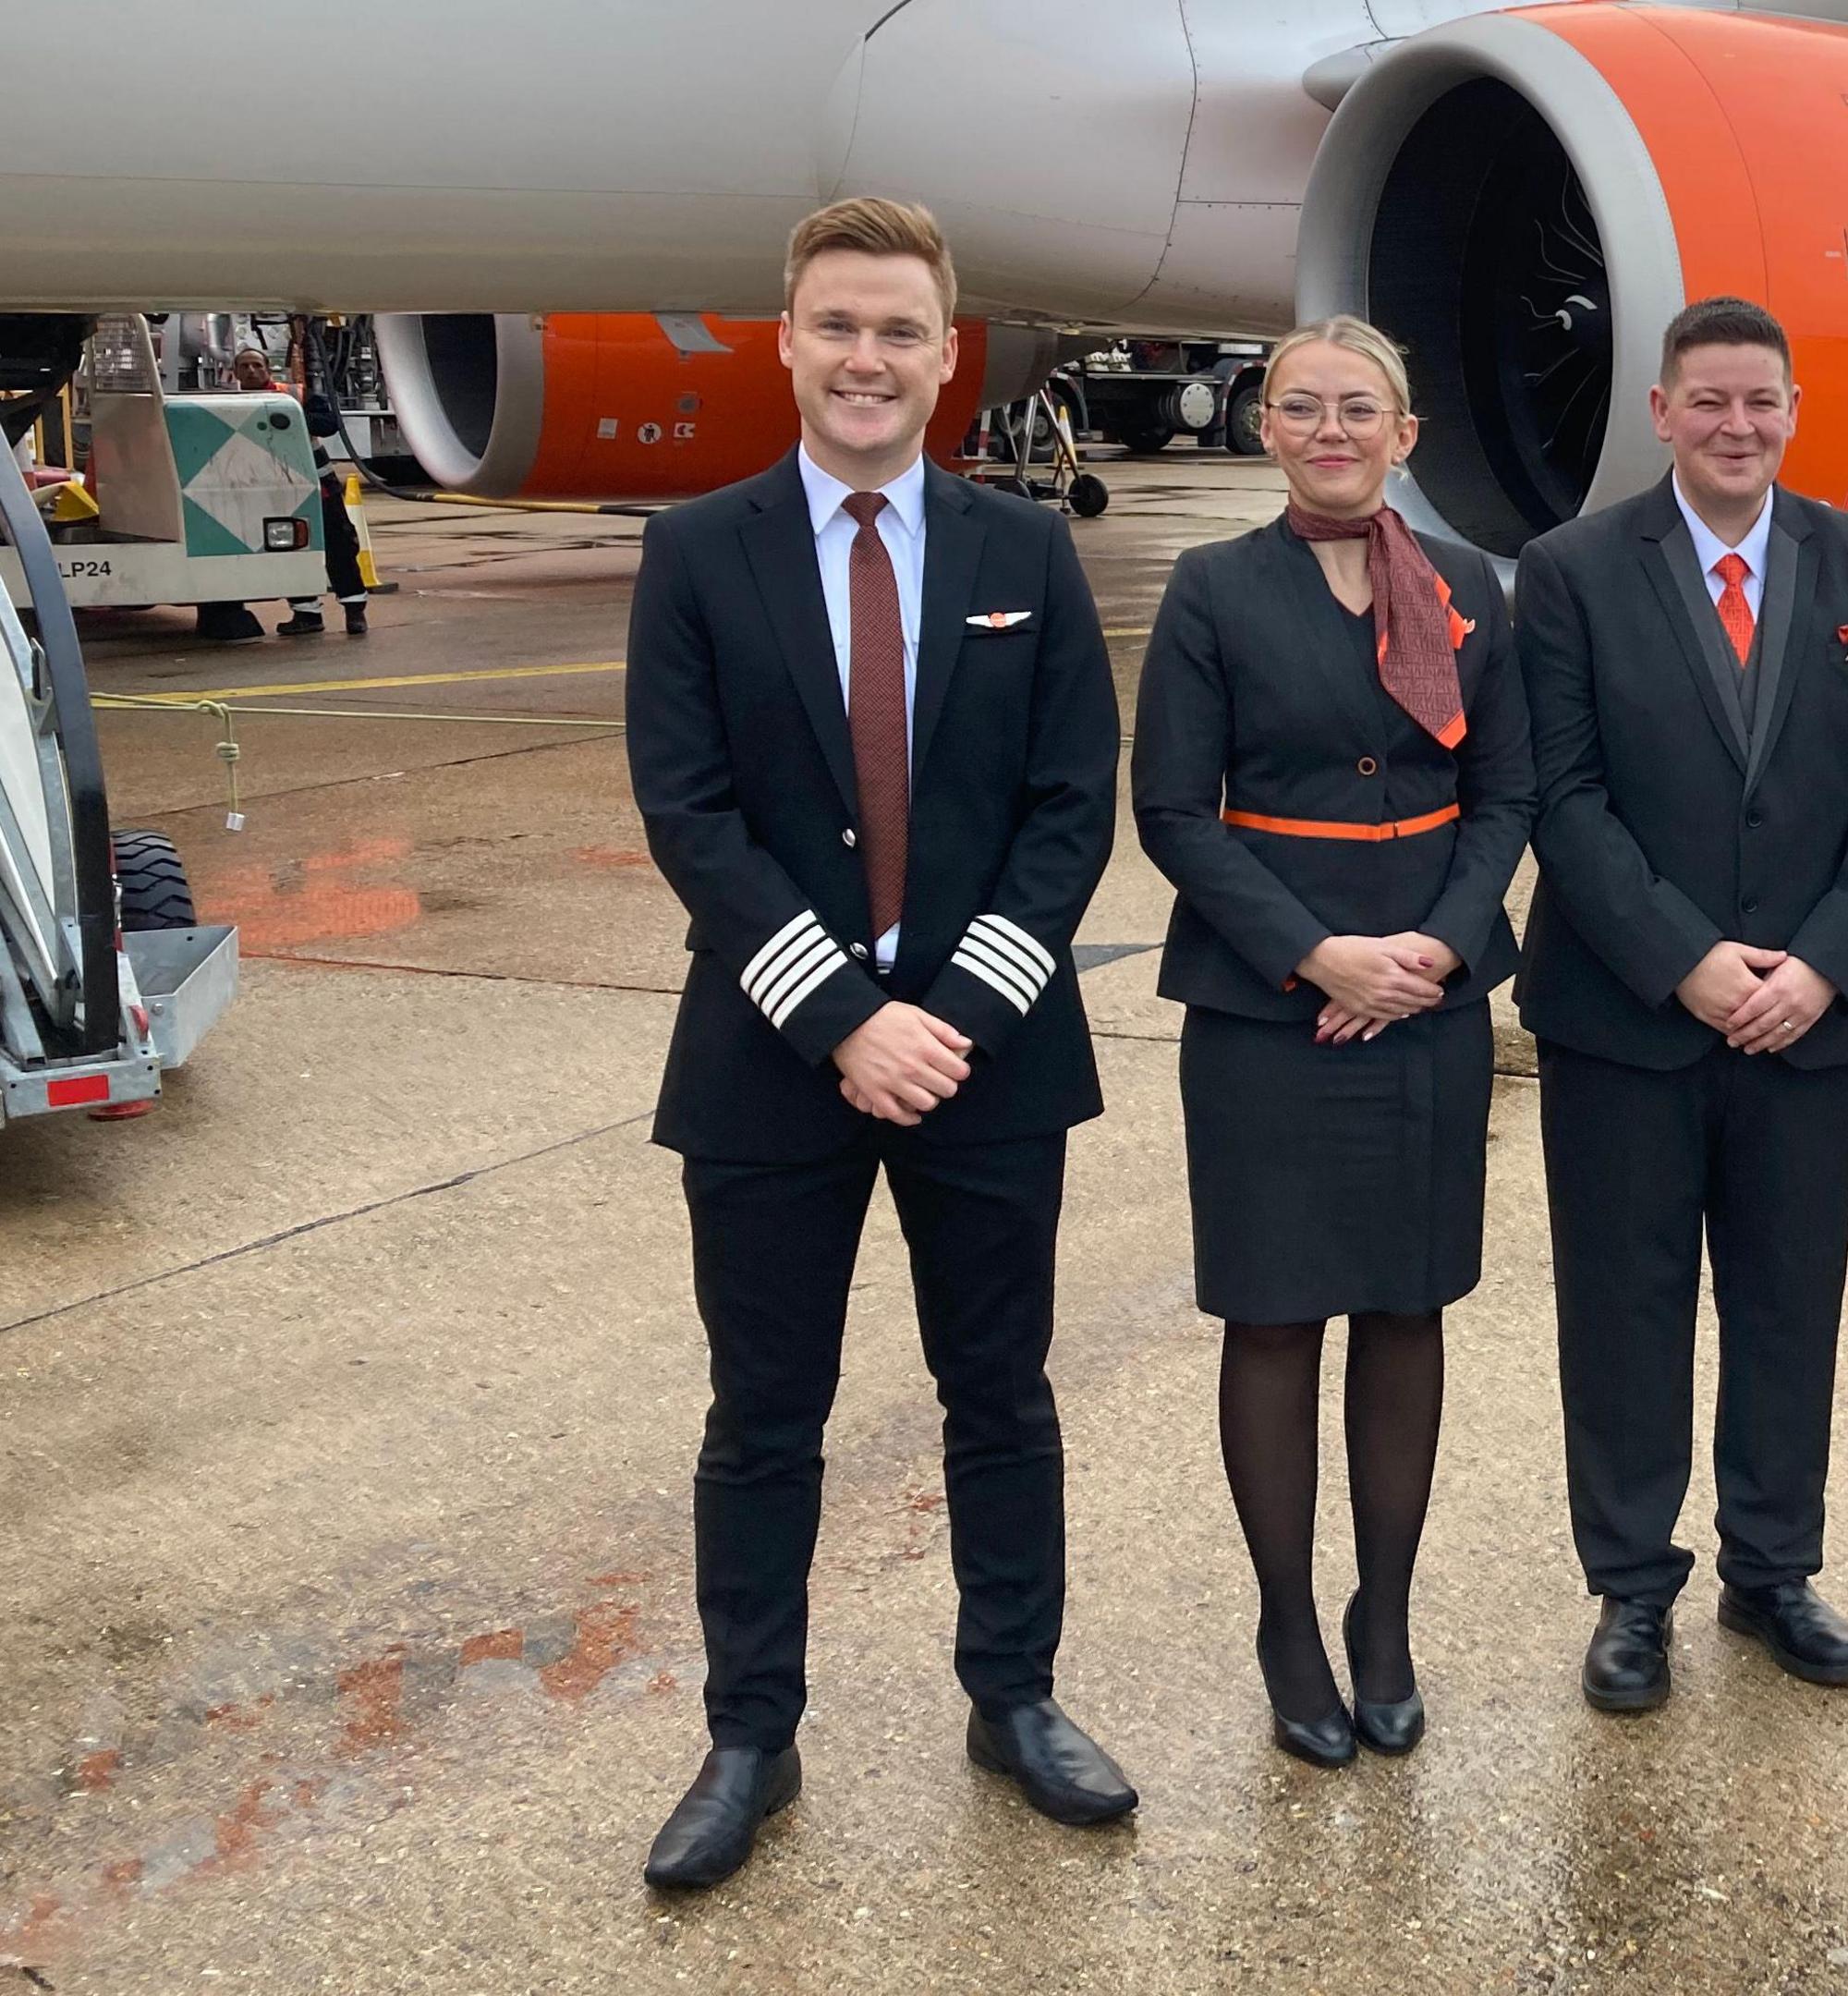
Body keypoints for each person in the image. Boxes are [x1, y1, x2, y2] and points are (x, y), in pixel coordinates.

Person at [622, 197, 1131, 1889]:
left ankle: (1017, 1698)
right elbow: (691, 817)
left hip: (986, 1058)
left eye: (900, 330)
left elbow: (1071, 816)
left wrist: (948, 1018)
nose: (868, 357)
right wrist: (847, 1021)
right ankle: (750, 1736)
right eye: (839, 325)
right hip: (775, 1058)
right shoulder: (698, 551)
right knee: (765, 1414)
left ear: (943, 354)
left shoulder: (1022, 553)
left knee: (1000, 1394)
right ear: (787, 341)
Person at [1513, 296, 1848, 1711]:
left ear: (1796, 410)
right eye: (1708, 401)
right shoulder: (1571, 570)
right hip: (1629, 1013)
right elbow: (1560, 793)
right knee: (1624, 1310)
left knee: (1787, 1304)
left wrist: (1823, 959)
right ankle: (1631, 1587)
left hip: (1810, 1020)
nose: (1736, 425)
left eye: (1761, 401)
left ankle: (1774, 1570)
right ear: (1661, 412)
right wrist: (1685, 957)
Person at [1129, 316, 1531, 1768]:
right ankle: (1288, 1620)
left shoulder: (1469, 586)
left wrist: (1432, 947)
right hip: (1267, 1006)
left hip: (1426, 992)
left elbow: (1506, 794)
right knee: (1278, 1315)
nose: (1332, 429)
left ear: (1405, 434)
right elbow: (1173, 810)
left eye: (1361, 408)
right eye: (1303, 408)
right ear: (1267, 428)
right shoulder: (1213, 587)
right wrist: (1314, 952)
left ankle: (1386, 1616)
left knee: (1406, 1307)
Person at [225, 347, 367, 638]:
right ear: (236, 373)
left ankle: (354, 612)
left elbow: (329, 424)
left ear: (268, 369)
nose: (251, 371)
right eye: (245, 367)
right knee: (289, 552)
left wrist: (292, 416)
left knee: (339, 548)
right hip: (273, 493)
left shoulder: (292, 394)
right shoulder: (229, 403)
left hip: (317, 487)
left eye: (256, 365)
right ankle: (306, 613)